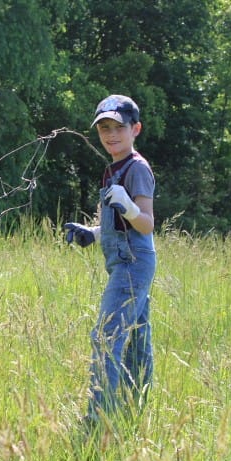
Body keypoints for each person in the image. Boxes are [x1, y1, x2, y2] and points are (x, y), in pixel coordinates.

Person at [64, 94, 156, 425]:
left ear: (136, 129)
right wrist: (92, 232)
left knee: (107, 336)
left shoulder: (137, 169)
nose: (111, 135)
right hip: (122, 259)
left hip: (133, 261)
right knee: (136, 341)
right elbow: (116, 224)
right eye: (104, 128)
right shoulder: (112, 170)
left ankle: (99, 420)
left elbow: (145, 224)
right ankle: (135, 409)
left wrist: (129, 206)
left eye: (118, 127)